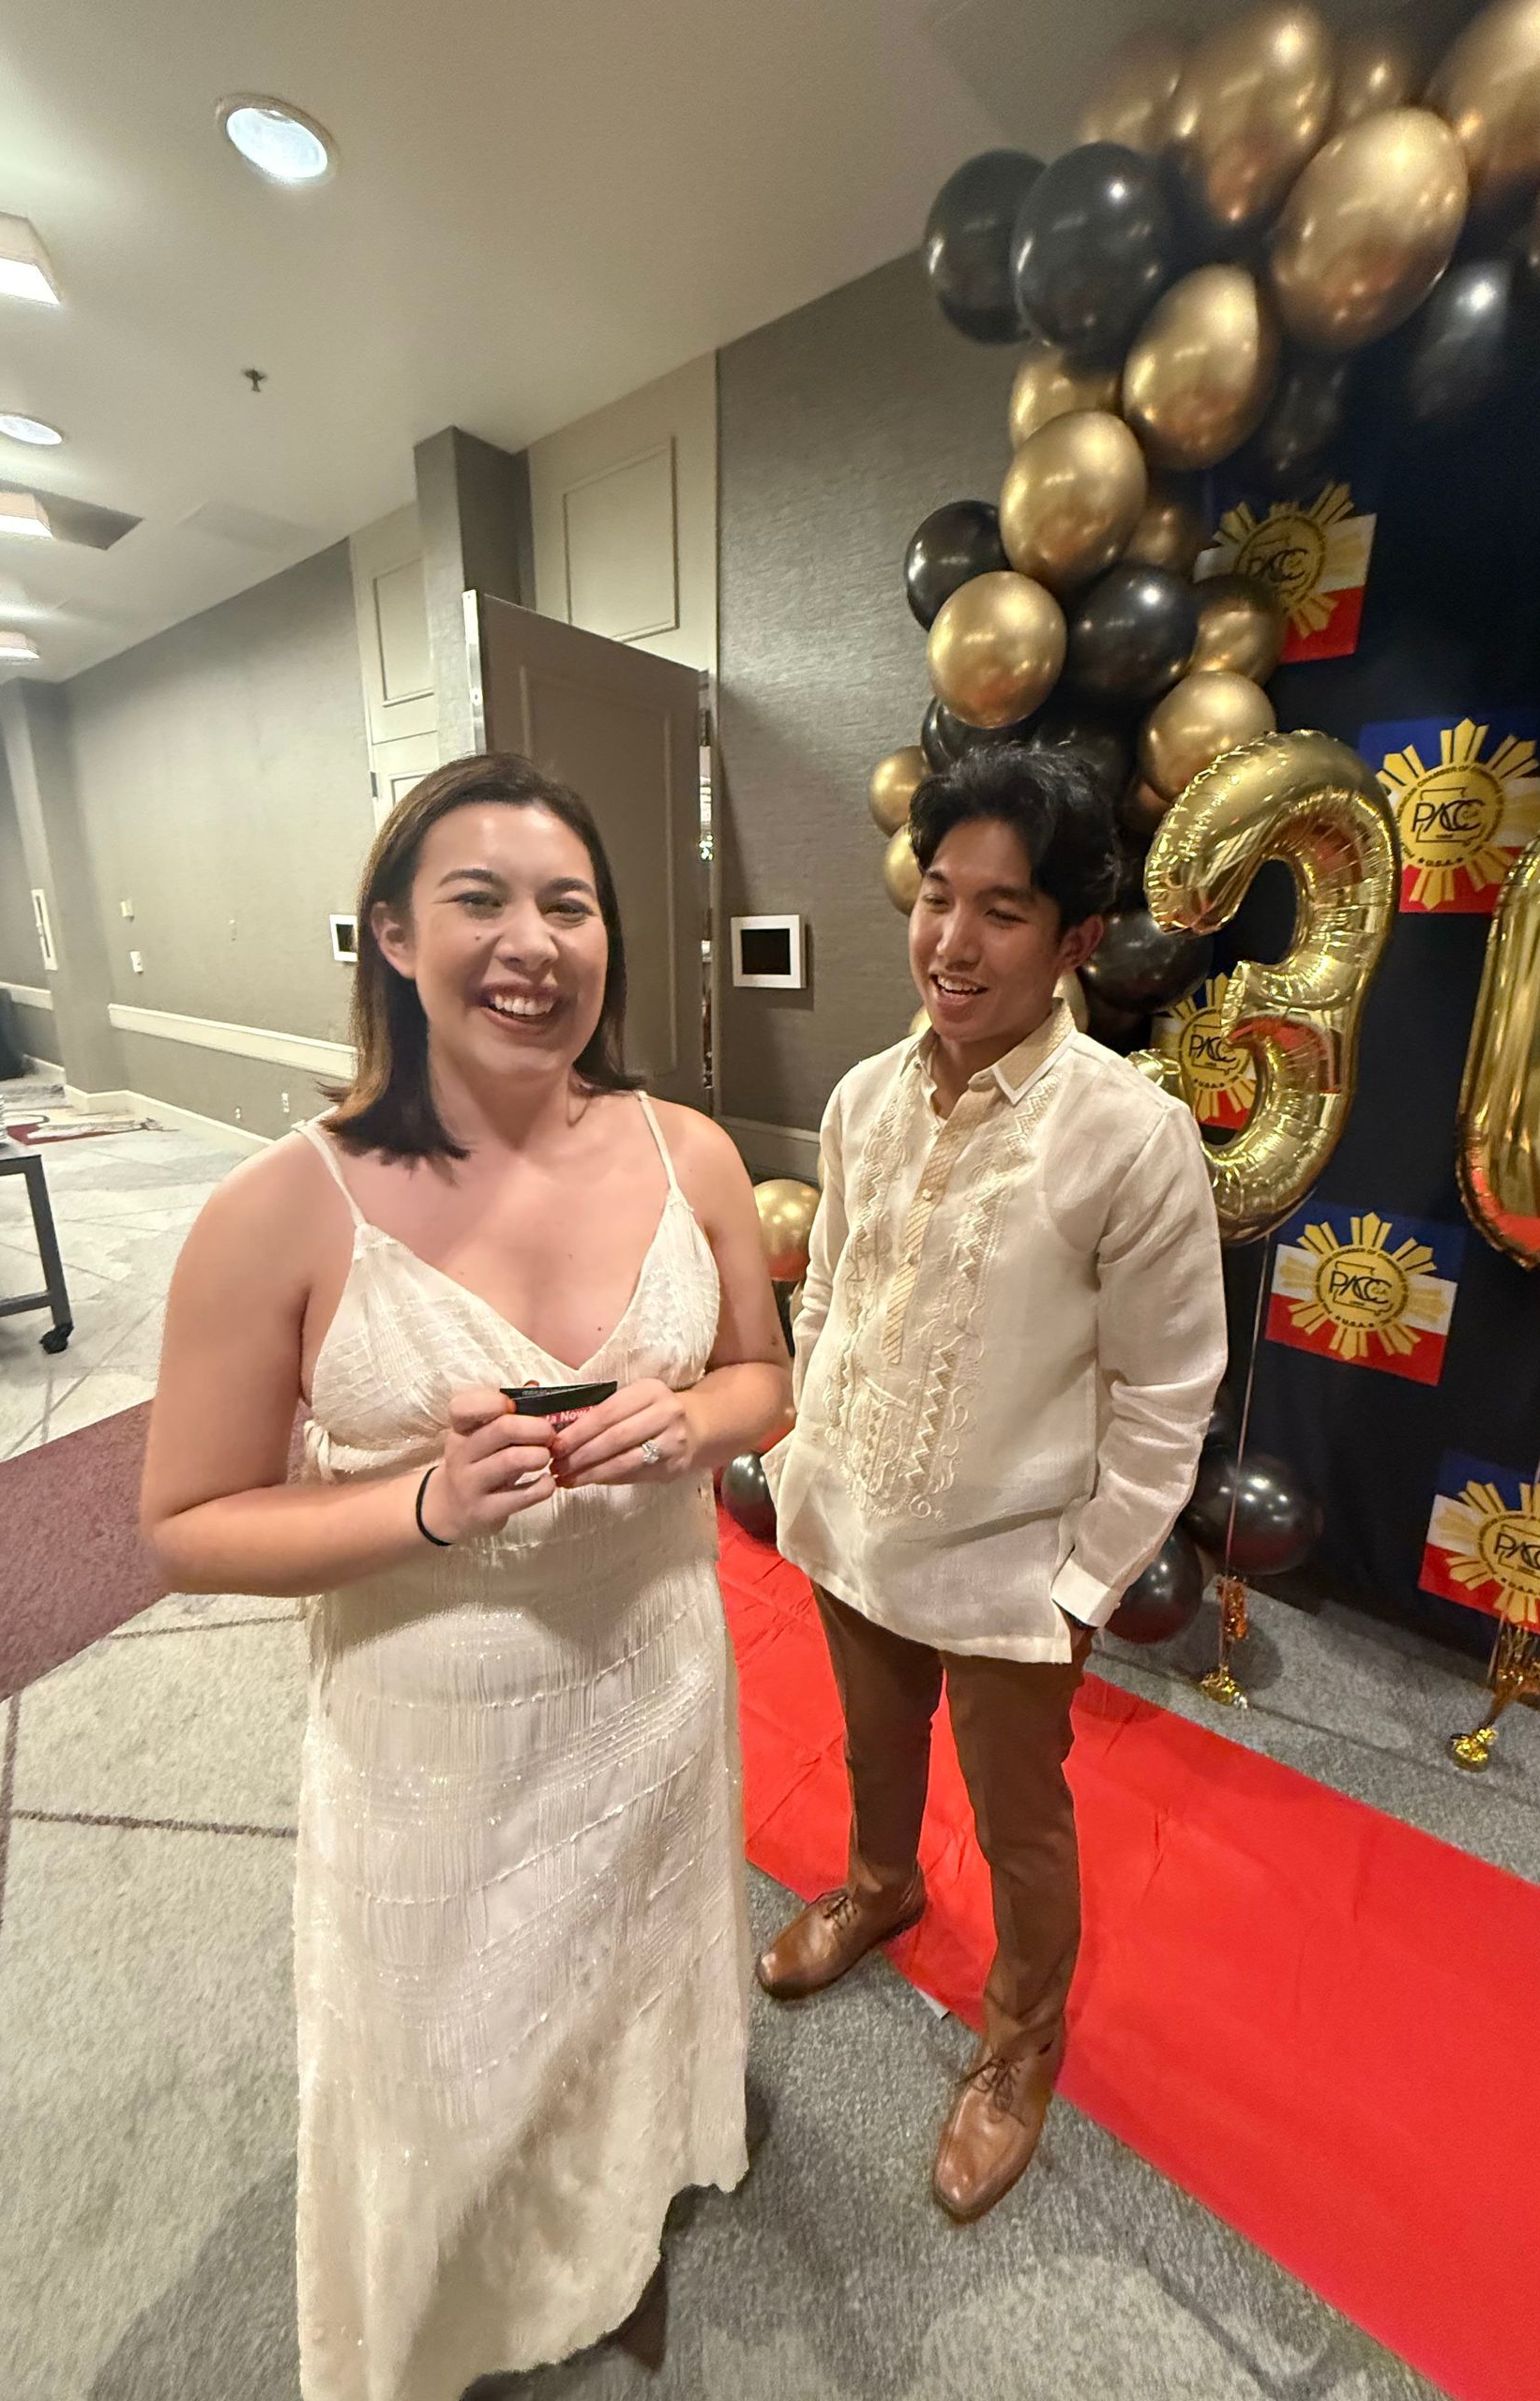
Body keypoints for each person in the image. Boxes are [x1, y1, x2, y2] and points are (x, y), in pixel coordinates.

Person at [142, 753, 791, 2397]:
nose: (533, 943)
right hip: (433, 1728)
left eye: (569, 905)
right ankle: (454, 2304)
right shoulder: (281, 1209)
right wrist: (423, 1506)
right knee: (446, 2036)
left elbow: (763, 1381)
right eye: (479, 901)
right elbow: (189, 1518)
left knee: (628, 1974)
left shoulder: (691, 1152)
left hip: (654, 1677)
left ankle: (615, 2232)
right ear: (392, 937)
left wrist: (688, 1419)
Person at [760, 744, 1226, 2223]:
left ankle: (1021, 2043)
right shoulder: (862, 1098)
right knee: (873, 1750)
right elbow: (828, 1289)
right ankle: (881, 1886)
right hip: (855, 1523)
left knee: (1021, 1826)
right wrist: (804, 1447)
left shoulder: (1128, 1135)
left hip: (1019, 1569)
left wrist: (1086, 1584)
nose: (953, 943)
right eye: (937, 898)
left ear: (1076, 939)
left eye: (1002, 911)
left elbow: (1168, 1390)